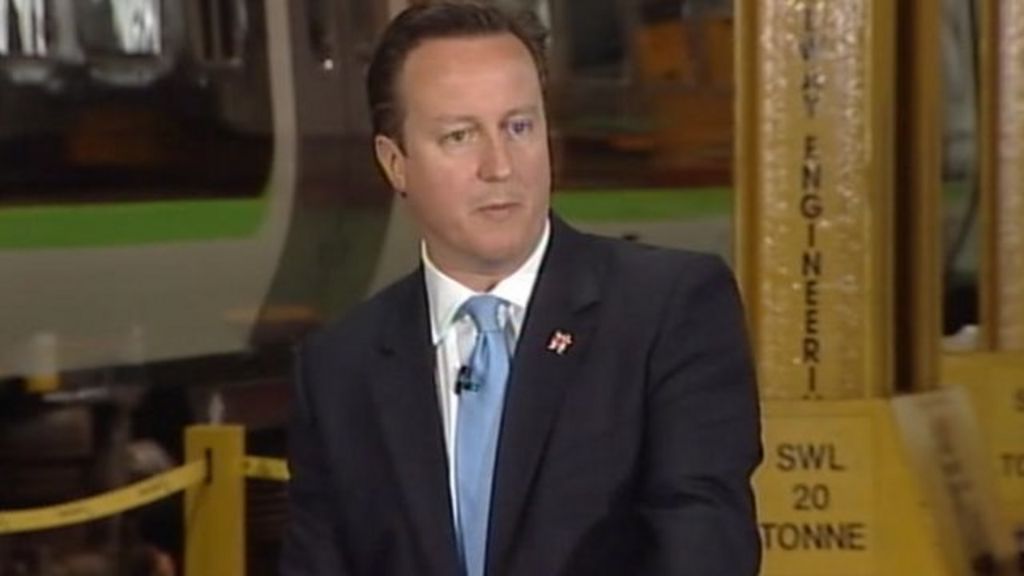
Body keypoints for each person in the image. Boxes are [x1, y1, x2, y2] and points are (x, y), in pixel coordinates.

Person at [279, 2, 762, 575]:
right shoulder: (339, 368)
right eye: (460, 136)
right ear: (395, 163)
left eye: (519, 127)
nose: (500, 165)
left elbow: (704, 546)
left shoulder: (670, 309)